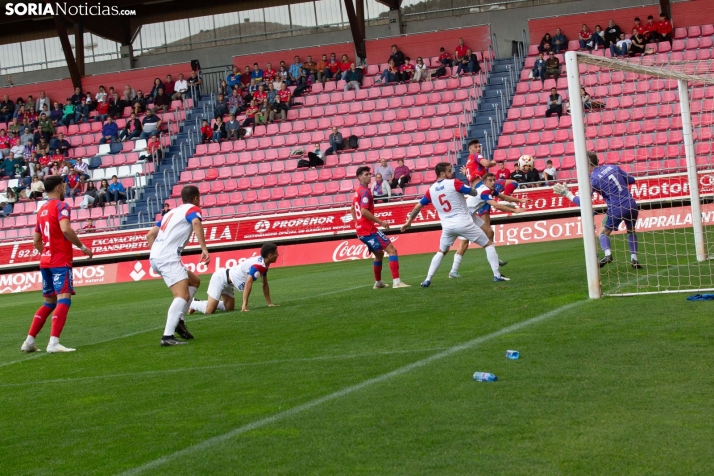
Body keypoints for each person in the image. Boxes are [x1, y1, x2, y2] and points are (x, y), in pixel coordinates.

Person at [400, 162, 509, 287]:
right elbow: (473, 193)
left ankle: (427, 279)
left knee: (441, 252)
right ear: (442, 173)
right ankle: (497, 275)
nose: (452, 173)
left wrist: (408, 222)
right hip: (463, 222)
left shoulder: (431, 190)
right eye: (449, 171)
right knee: (488, 244)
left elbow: (418, 206)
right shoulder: (454, 182)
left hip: (447, 227)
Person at [20, 175, 93, 353]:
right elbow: (66, 229)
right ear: (59, 188)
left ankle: (29, 341)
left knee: (49, 303)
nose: (65, 188)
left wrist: (48, 253)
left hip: (45, 261)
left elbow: (36, 241)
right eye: (63, 186)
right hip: (60, 261)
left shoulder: (42, 209)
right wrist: (83, 247)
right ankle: (53, 343)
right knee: (64, 300)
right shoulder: (62, 206)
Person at [553, 151, 642, 268]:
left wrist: (567, 194)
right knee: (631, 231)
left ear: (587, 164)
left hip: (616, 208)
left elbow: (584, 203)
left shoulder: (593, 179)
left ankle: (608, 254)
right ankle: (634, 259)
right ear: (598, 161)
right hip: (632, 205)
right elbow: (631, 180)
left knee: (602, 233)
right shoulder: (613, 167)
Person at [146, 185, 210, 346]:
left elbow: (150, 235)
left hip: (155, 256)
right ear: (196, 198)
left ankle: (179, 321)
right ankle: (167, 337)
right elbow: (196, 223)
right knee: (182, 295)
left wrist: (157, 254)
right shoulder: (192, 210)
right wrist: (204, 248)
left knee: (194, 282)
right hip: (167, 258)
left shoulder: (170, 213)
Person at [449, 174, 527, 278]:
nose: (493, 182)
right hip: (464, 218)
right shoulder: (485, 191)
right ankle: (453, 271)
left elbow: (503, 196)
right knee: (464, 244)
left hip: (470, 216)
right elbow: (497, 205)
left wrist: (520, 200)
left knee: (490, 232)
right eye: (490, 180)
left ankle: (494, 258)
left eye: (494, 180)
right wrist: (515, 210)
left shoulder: (490, 189)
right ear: (484, 182)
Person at [351, 166, 409, 289]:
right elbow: (364, 211)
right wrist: (381, 222)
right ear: (359, 177)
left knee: (379, 254)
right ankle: (397, 282)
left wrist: (357, 223)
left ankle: (378, 283)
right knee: (392, 250)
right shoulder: (365, 191)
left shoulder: (358, 191)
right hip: (369, 230)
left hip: (361, 230)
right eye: (366, 174)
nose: (369, 176)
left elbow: (352, 209)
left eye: (369, 174)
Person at [189, 243, 279, 314]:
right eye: (276, 253)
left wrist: (269, 303)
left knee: (229, 308)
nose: (278, 255)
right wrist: (244, 305)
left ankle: (200, 302)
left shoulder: (264, 265)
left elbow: (265, 284)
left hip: (229, 281)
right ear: (270, 256)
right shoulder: (258, 266)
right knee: (209, 311)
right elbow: (248, 283)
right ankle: (191, 302)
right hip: (220, 278)